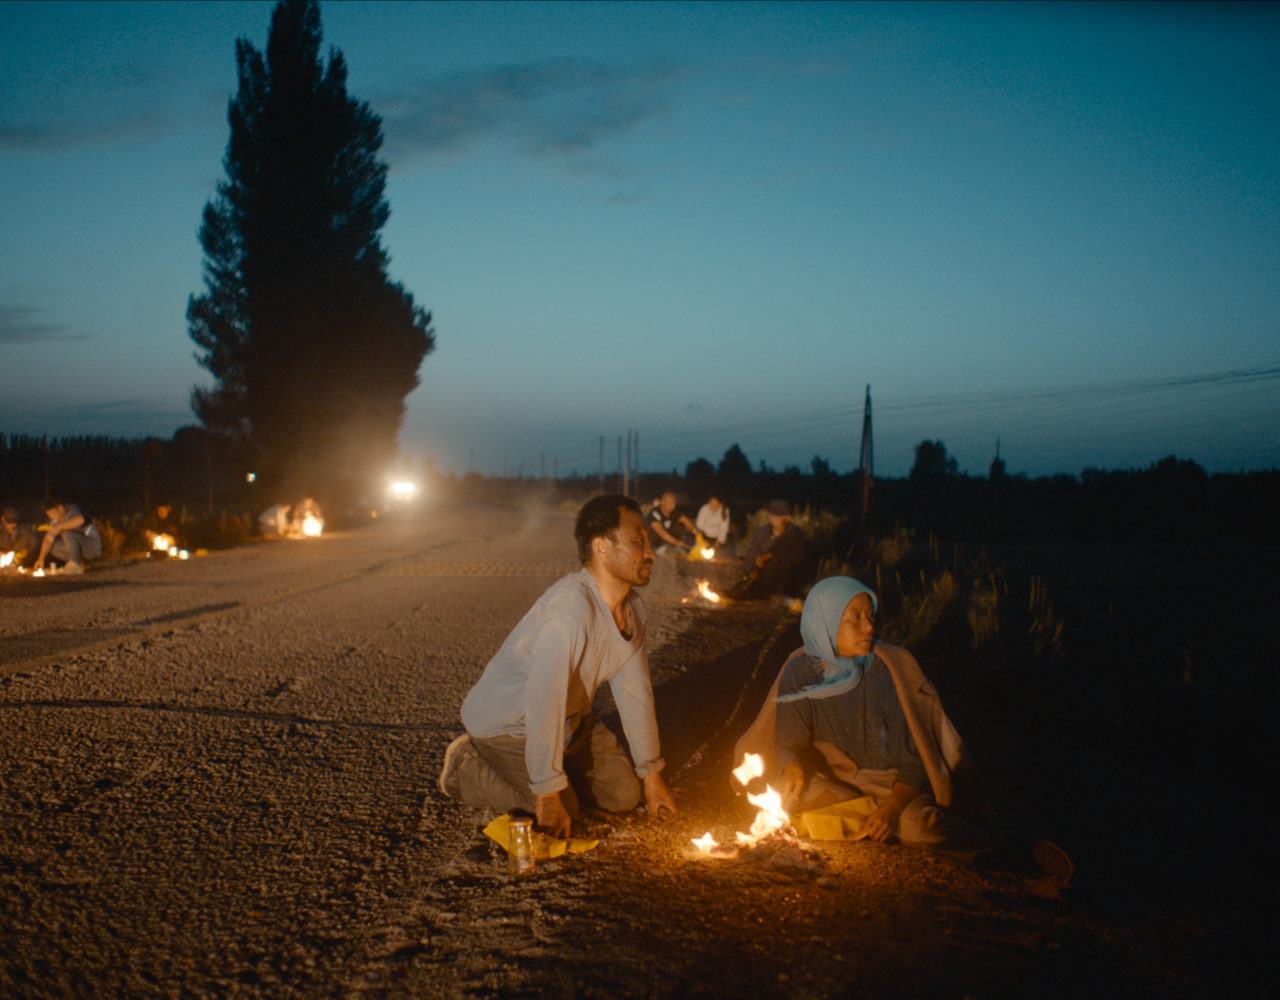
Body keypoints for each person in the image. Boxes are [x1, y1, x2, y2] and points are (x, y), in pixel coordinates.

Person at [735, 576, 1072, 879]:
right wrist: (793, 768)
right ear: (825, 621)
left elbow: (914, 763)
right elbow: (789, 743)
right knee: (784, 794)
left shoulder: (889, 670)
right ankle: (868, 821)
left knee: (919, 826)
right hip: (838, 781)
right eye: (855, 618)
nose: (869, 626)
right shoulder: (800, 669)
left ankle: (1005, 849)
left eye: (871, 616)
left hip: (893, 785)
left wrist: (892, 808)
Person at [438, 494, 679, 839]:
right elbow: (543, 699)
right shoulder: (571, 607)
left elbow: (635, 694)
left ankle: (548, 770)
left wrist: (652, 775)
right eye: (638, 540)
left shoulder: (633, 610)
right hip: (509, 724)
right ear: (601, 546)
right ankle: (464, 768)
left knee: (624, 796)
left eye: (648, 540)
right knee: (557, 805)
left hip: (569, 721)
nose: (651, 551)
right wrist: (548, 792)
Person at [729, 500, 807, 600]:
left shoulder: (796, 536)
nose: (772, 519)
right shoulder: (761, 533)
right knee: (736, 594)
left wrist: (770, 556)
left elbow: (795, 559)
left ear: (787, 518)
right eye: (771, 515)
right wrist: (750, 571)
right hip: (760, 578)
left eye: (777, 516)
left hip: (783, 580)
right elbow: (751, 555)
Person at [33, 497, 102, 575]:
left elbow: (80, 520)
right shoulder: (54, 521)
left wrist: (59, 527)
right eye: (49, 514)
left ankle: (75, 565)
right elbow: (48, 539)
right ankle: (80, 563)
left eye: (53, 513)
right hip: (80, 550)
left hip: (92, 546)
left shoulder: (72, 510)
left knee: (66, 532)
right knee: (52, 546)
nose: (51, 516)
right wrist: (41, 559)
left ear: (60, 508)